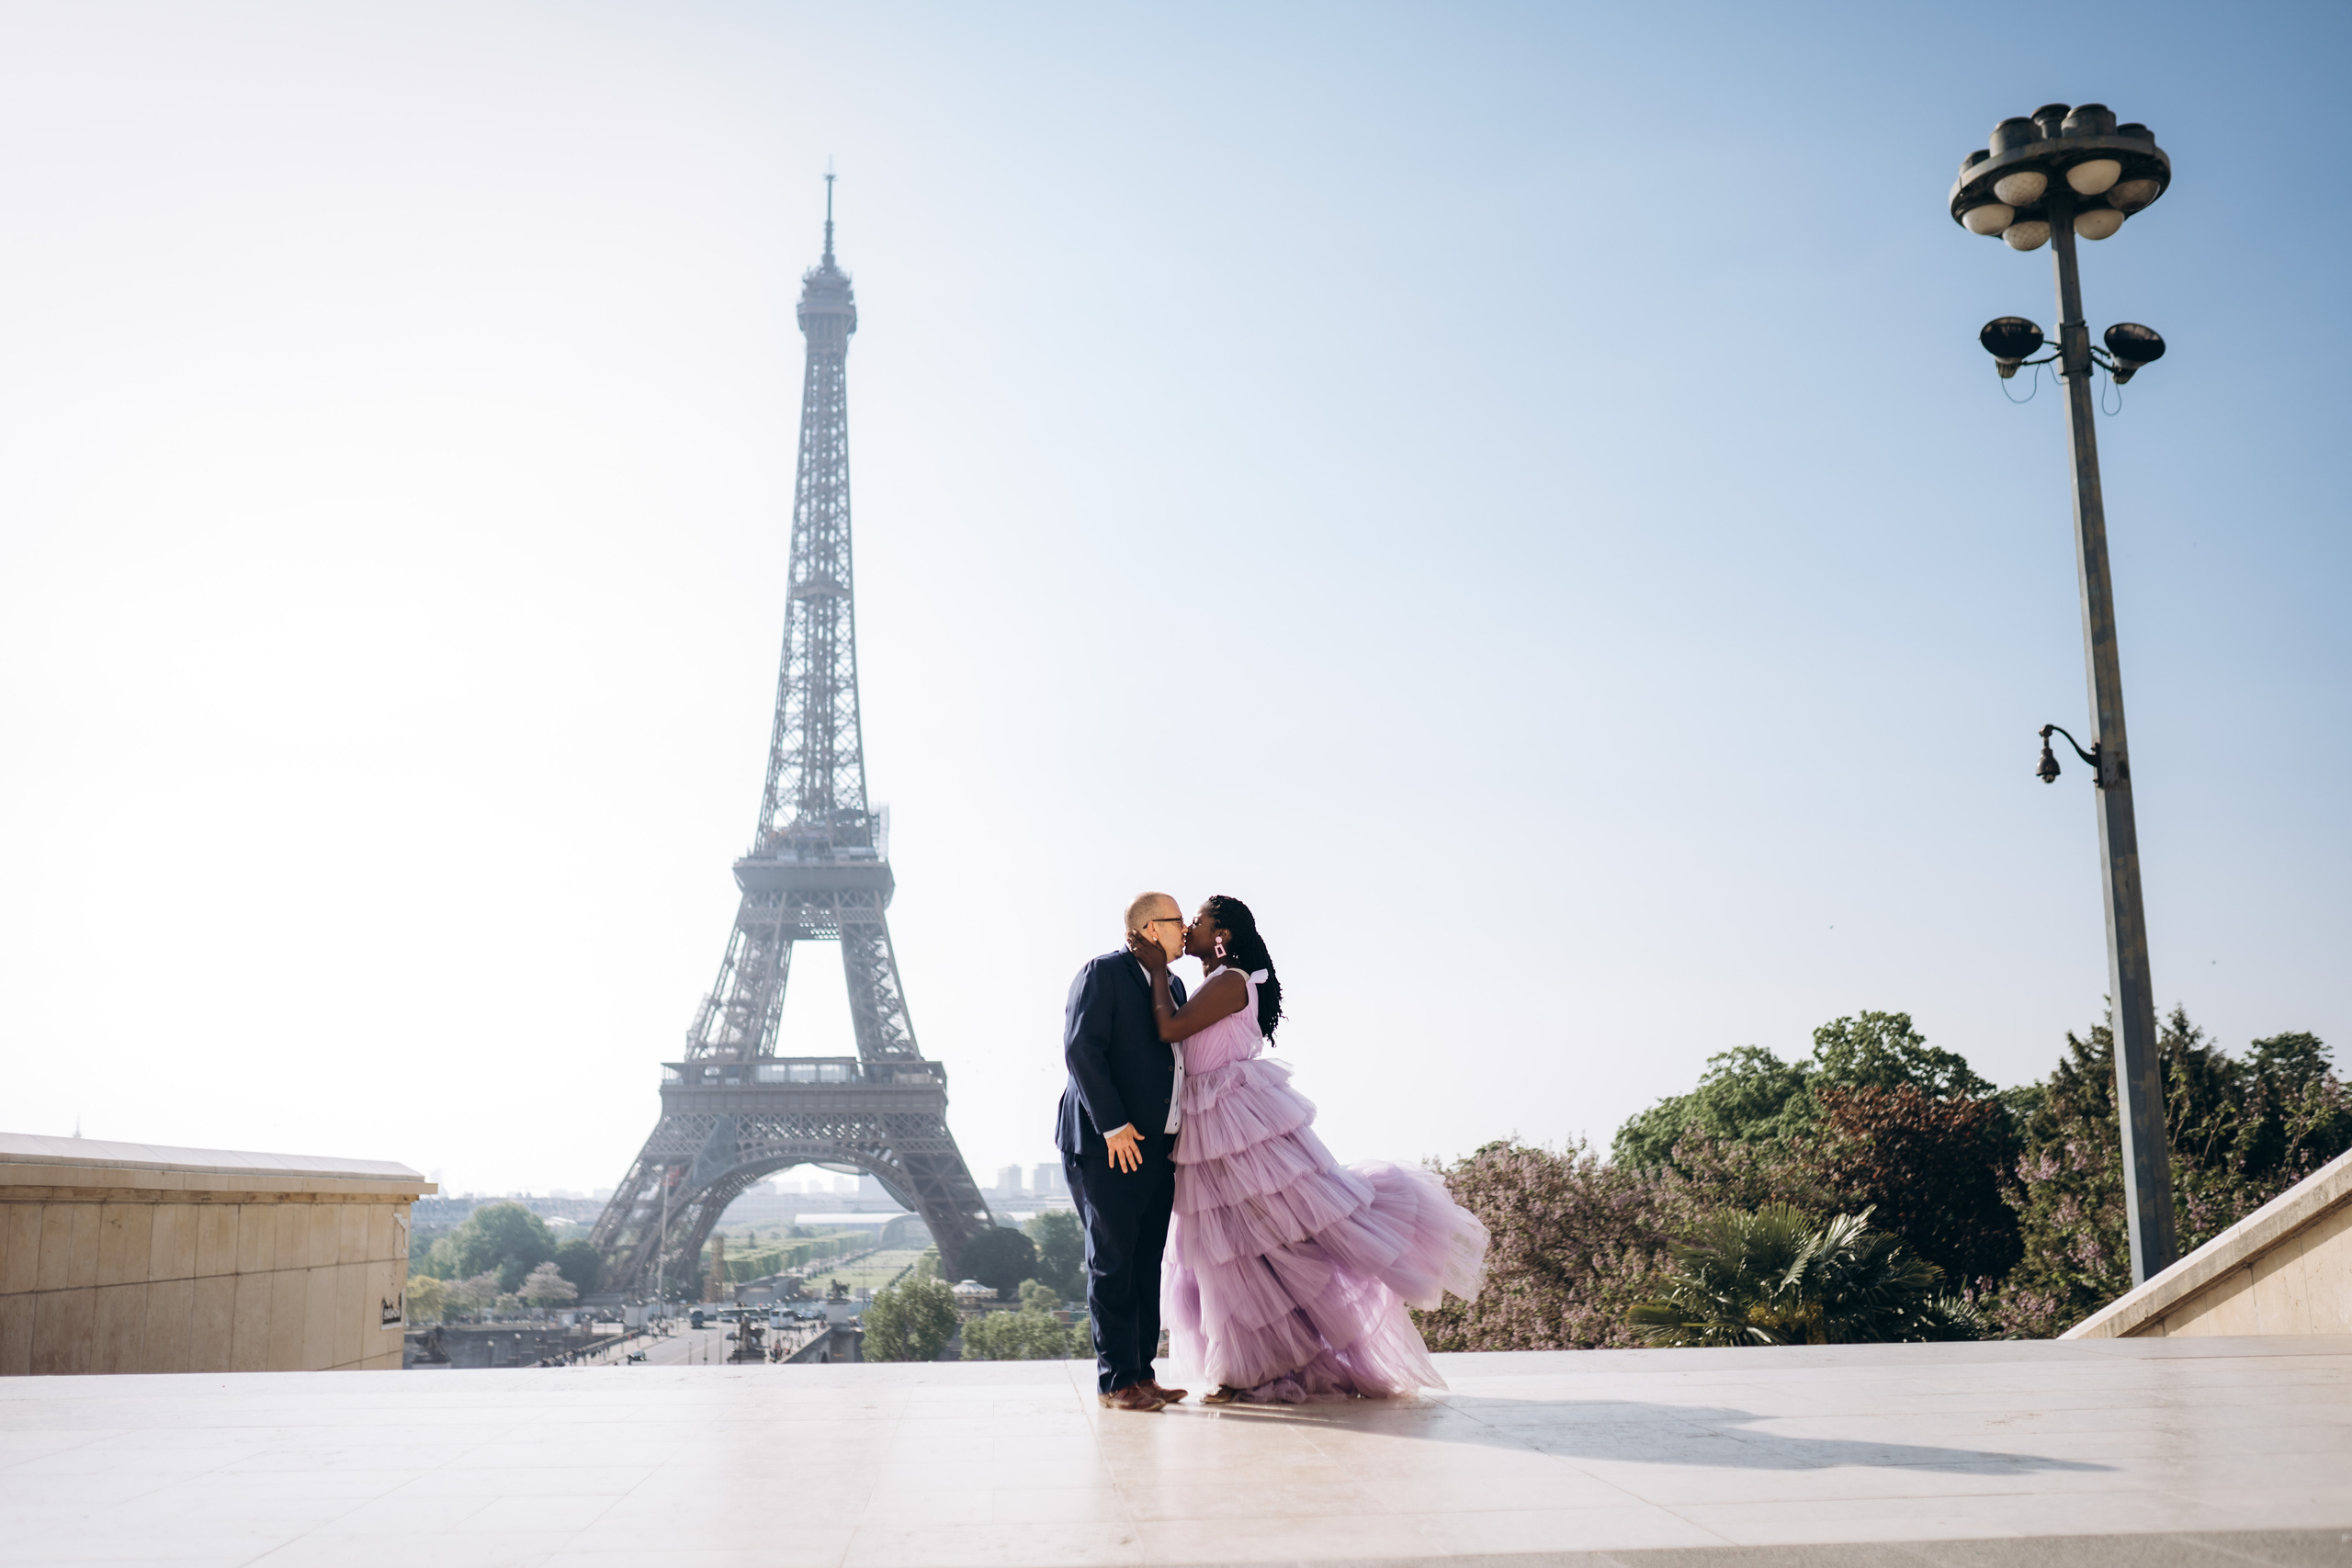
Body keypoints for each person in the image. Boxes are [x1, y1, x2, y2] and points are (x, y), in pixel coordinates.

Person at [1133, 895, 1487, 1402]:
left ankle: (1248, 1370)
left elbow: (1169, 1028)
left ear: (1223, 934)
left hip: (1230, 1123)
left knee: (1250, 1242)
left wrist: (1157, 971)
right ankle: (1247, 1367)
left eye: (1199, 919)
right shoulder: (1223, 979)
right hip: (1211, 1122)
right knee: (1235, 1249)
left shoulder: (1232, 980)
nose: (1188, 925)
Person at [1057, 891, 1194, 1412]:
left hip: (1157, 1147)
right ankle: (1116, 1382)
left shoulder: (1172, 983)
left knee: (1144, 1264)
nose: (1185, 929)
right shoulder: (1102, 973)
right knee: (1112, 1263)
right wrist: (1113, 1126)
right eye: (1178, 921)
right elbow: (1080, 1049)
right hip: (1105, 1145)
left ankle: (1141, 1374)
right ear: (1150, 928)